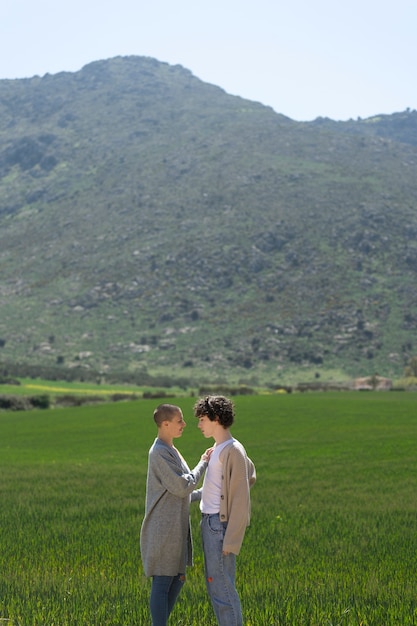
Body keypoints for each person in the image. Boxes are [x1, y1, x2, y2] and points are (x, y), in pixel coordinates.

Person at [140, 403, 212, 626]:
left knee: (177, 580)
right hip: (163, 530)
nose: (184, 424)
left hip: (174, 529)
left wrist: (207, 494)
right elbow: (182, 487)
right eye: (180, 420)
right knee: (163, 582)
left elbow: (180, 495)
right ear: (165, 424)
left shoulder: (170, 449)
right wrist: (203, 463)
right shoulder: (159, 453)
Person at [194, 395, 256, 626]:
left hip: (219, 528)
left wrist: (231, 540)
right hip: (209, 525)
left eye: (202, 419)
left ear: (216, 418)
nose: (199, 425)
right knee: (215, 585)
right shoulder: (217, 449)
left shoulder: (233, 450)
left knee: (223, 589)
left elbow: (240, 498)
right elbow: (213, 490)